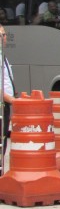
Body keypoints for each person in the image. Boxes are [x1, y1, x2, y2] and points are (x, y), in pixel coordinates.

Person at [0, 24, 16, 159]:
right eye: (3, 35)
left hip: (4, 105)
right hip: (1, 105)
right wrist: (12, 100)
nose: (5, 38)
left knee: (3, 139)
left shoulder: (2, 55)